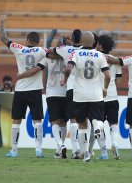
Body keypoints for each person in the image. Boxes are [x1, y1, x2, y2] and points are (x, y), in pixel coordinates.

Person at [0, 15, 47, 158]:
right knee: (37, 121)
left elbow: (3, 38)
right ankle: (38, 150)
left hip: (20, 90)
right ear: (38, 42)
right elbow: (53, 53)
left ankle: (14, 150)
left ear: (27, 40)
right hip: (35, 91)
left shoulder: (18, 48)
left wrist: (2, 22)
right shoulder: (41, 51)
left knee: (16, 121)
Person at [61, 31, 111, 163]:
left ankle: (85, 154)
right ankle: (99, 135)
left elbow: (67, 69)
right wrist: (105, 89)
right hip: (96, 94)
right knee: (97, 122)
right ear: (94, 42)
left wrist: (65, 80)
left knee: (81, 124)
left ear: (82, 41)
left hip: (80, 95)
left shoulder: (75, 53)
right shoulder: (100, 55)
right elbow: (108, 76)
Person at [17, 38, 70, 159]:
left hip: (52, 93)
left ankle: (60, 146)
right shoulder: (69, 57)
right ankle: (60, 148)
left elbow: (35, 70)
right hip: (66, 92)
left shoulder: (47, 58)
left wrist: (21, 76)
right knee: (63, 122)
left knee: (55, 122)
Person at [52, 29, 83, 159]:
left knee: (72, 120)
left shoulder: (65, 50)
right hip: (83, 89)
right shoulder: (85, 50)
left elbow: (52, 50)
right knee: (82, 121)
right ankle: (80, 150)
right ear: (81, 39)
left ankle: (72, 149)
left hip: (70, 89)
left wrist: (64, 41)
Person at [94, 34, 122, 160]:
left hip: (99, 96)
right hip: (113, 96)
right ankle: (115, 143)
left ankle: (104, 152)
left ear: (100, 45)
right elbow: (119, 82)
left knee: (98, 125)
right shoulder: (116, 60)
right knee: (113, 123)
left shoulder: (96, 57)